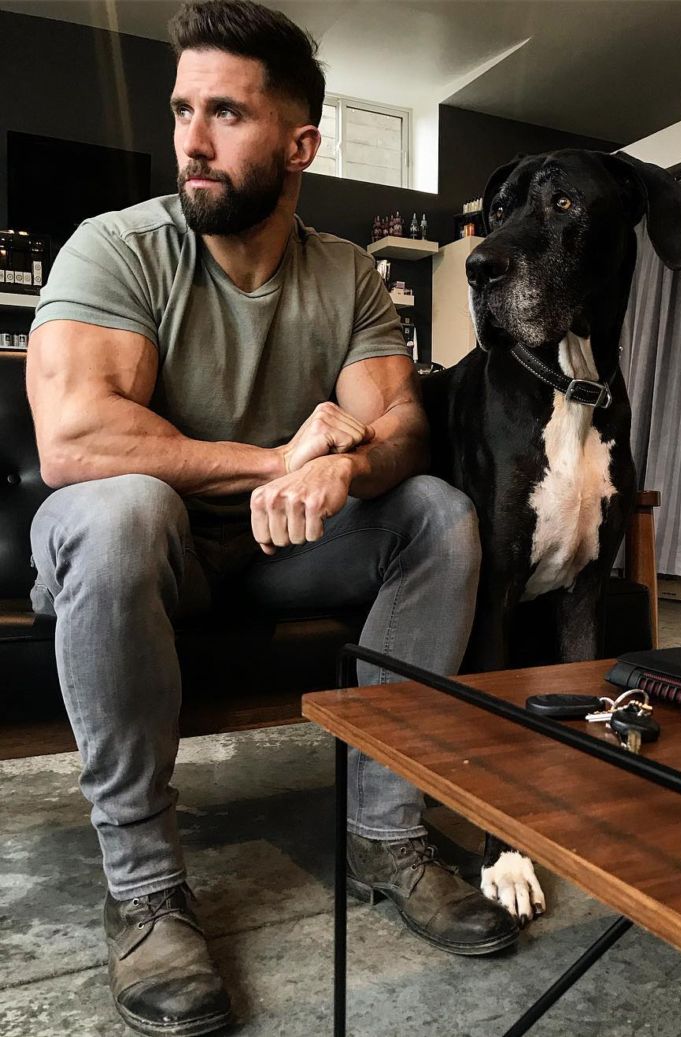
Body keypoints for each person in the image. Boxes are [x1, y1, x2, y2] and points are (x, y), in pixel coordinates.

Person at [25, 1, 518, 1033]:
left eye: (226, 115)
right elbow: (75, 441)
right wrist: (278, 458)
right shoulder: (115, 247)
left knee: (434, 511)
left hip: (277, 549)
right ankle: (146, 885)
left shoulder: (344, 274)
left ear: (300, 144)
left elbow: (404, 430)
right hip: (141, 545)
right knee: (121, 509)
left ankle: (385, 832)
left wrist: (347, 465)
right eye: (181, 110)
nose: (192, 143)